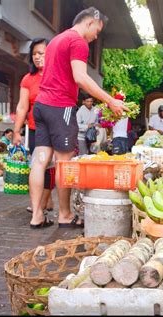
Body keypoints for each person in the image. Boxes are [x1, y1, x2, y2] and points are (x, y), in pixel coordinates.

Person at [29, 7, 129, 229]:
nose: (95, 38)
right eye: (97, 31)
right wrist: (110, 100)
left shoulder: (56, 40)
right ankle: (64, 215)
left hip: (41, 105)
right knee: (64, 163)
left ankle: (36, 215)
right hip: (59, 107)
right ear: (90, 22)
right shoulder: (78, 42)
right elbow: (81, 78)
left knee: (40, 160)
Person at [12, 38, 55, 221]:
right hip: (35, 129)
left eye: (41, 53)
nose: (37, 57)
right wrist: (16, 131)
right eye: (34, 53)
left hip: (55, 128)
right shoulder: (27, 79)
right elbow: (22, 107)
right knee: (39, 166)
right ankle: (40, 204)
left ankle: (43, 203)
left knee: (50, 167)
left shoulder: (57, 74)